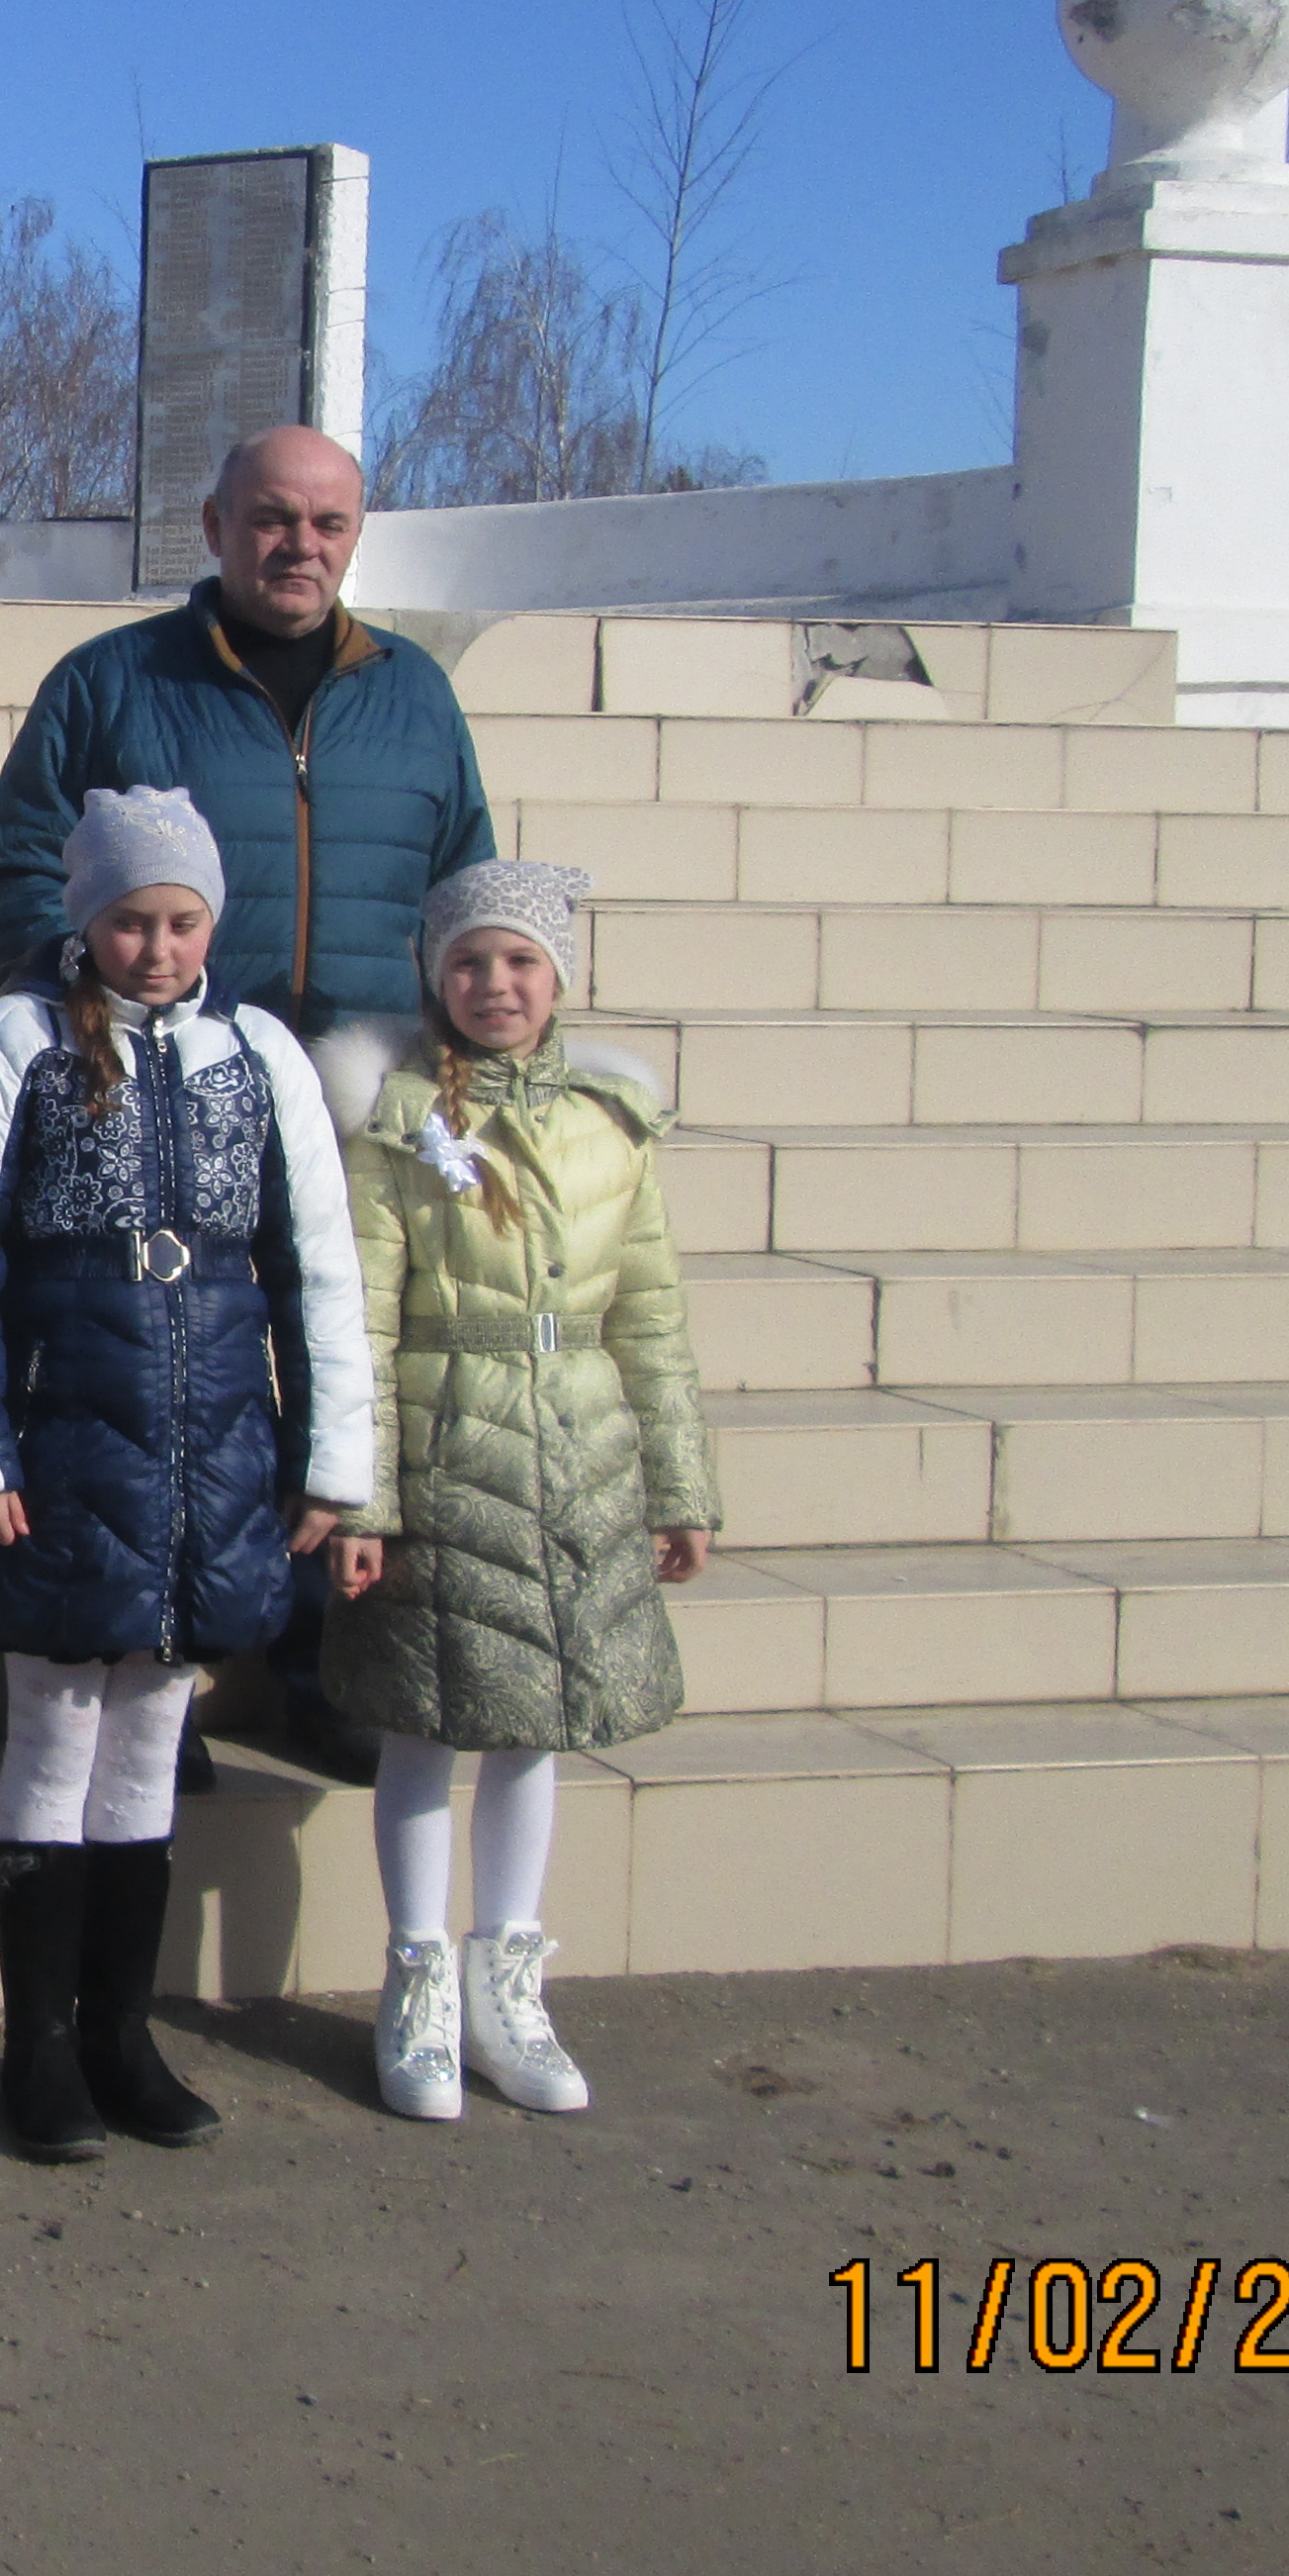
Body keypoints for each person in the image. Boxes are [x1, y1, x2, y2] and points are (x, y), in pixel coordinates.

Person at [0, 422, 495, 1791]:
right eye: (270, 517)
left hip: (357, 1102)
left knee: (326, 1368)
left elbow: (465, 892)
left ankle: (322, 1666)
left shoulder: (416, 696)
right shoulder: (116, 681)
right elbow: (12, 868)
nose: (297, 544)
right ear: (213, 521)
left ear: (356, 532)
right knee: (159, 1373)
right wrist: (109, 1016)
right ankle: (155, 1672)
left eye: (325, 522)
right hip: (161, 1095)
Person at [0, 788, 371, 2162]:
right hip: (60, 1446)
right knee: (53, 1735)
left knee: (155, 1743)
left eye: (179, 923)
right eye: (129, 920)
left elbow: (319, 1266)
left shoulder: (259, 1054)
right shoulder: (16, 1045)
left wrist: (328, 1459)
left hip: (215, 1452)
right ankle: (36, 2047)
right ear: (86, 920)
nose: (156, 947)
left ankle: (124, 2034)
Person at [325, 861, 719, 2123]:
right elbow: (365, 1322)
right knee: (427, 1723)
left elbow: (650, 1316)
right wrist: (365, 1499)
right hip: (450, 1451)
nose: (496, 985)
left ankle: (512, 1977)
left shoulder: (613, 1122)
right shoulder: (401, 1128)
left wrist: (678, 1483)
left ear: (560, 979)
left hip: (584, 1453)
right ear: (436, 979)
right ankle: (419, 1984)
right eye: (470, 963)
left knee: (534, 1726)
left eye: (521, 964)